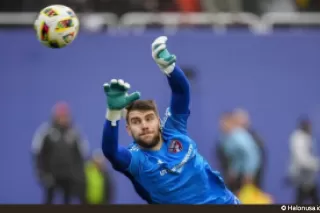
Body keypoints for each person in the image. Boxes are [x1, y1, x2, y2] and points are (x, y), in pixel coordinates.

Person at [101, 36, 240, 204]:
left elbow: (181, 92)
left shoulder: (174, 129)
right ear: (128, 129)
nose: (144, 125)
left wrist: (169, 67)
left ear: (159, 121)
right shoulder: (136, 160)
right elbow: (111, 151)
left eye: (149, 119)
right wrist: (113, 113)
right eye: (136, 121)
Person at [31, 101, 88, 204]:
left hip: (69, 176)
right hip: (51, 176)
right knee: (49, 201)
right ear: (55, 117)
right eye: (60, 116)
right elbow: (37, 153)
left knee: (68, 201)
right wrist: (42, 173)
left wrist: (78, 174)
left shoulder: (74, 133)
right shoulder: (46, 132)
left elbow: (82, 155)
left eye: (65, 116)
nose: (63, 119)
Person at [288, 117, 320, 204]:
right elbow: (302, 160)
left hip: (308, 177)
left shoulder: (307, 138)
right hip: (302, 177)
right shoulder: (299, 139)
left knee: (310, 198)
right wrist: (319, 165)